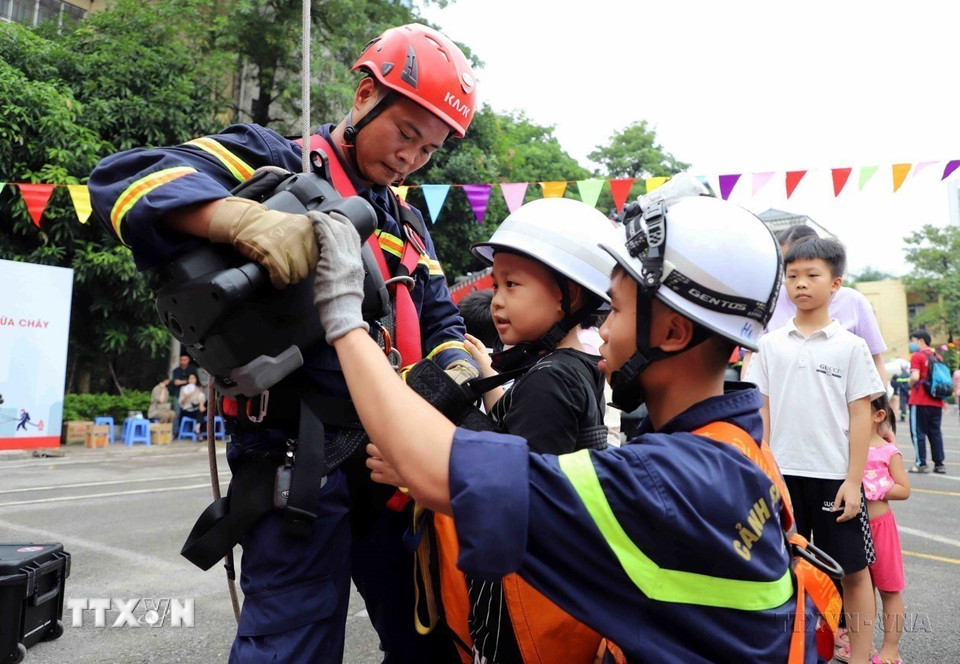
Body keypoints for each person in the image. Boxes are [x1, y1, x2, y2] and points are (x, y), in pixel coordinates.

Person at [88, 23, 479, 663]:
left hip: (394, 474)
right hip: (299, 466)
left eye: (430, 149)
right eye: (405, 133)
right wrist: (234, 218)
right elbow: (124, 182)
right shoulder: (276, 157)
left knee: (431, 640)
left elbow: (444, 326)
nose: (412, 157)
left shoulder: (409, 225)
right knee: (289, 647)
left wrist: (448, 377)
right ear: (363, 97)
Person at [310, 183, 832, 661]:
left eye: (618, 312)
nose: (601, 331)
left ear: (672, 331)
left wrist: (342, 312)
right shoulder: (735, 447)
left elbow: (436, 470)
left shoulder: (669, 480)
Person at [454, 197, 619, 663]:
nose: (498, 299)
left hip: (521, 596)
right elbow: (523, 426)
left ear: (570, 295)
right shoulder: (570, 365)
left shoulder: (550, 379)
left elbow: (513, 488)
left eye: (513, 284)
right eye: (496, 283)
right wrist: (487, 371)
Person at [746, 236, 885, 664]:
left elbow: (862, 416)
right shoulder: (769, 344)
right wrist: (761, 469)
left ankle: (860, 657)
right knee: (781, 572)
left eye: (812, 275)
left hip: (833, 477)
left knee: (854, 573)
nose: (800, 284)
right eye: (792, 276)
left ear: (835, 284)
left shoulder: (850, 346)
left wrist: (852, 480)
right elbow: (761, 411)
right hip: (781, 477)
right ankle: (793, 652)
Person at [741, 224, 889, 386]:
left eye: (810, 273)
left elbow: (874, 361)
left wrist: (880, 407)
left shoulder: (854, 302)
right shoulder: (770, 300)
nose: (800, 281)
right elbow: (752, 359)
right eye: (788, 269)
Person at [861, 394, 910, 664]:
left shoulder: (888, 451)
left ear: (878, 416)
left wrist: (877, 487)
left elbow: (904, 489)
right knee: (859, 588)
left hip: (881, 528)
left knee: (889, 588)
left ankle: (891, 649)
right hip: (853, 527)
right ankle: (862, 645)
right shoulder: (846, 446)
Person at [906, 329, 946, 474]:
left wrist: (910, 385)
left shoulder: (917, 356)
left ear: (921, 341)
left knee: (918, 433)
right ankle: (939, 464)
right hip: (936, 400)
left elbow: (915, 377)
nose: (912, 343)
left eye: (913, 340)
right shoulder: (938, 357)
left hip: (920, 400)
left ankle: (921, 463)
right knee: (935, 432)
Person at [170, 354, 199, 433]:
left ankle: (193, 431)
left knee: (195, 411)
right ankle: (175, 432)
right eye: (181, 359)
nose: (183, 361)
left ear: (188, 360)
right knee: (177, 413)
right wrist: (187, 381)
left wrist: (181, 381)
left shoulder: (192, 369)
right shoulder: (176, 370)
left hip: (192, 395)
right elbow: (176, 382)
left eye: (185, 359)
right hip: (178, 394)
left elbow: (196, 381)